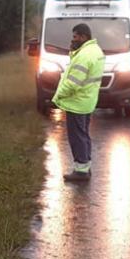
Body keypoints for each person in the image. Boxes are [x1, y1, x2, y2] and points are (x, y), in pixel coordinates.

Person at [52, 23, 105, 182]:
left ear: (83, 36)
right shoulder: (95, 50)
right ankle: (85, 166)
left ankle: (81, 171)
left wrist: (58, 96)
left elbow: (73, 83)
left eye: (75, 37)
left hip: (77, 103)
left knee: (77, 137)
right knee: (83, 134)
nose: (73, 39)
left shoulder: (84, 56)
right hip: (87, 101)